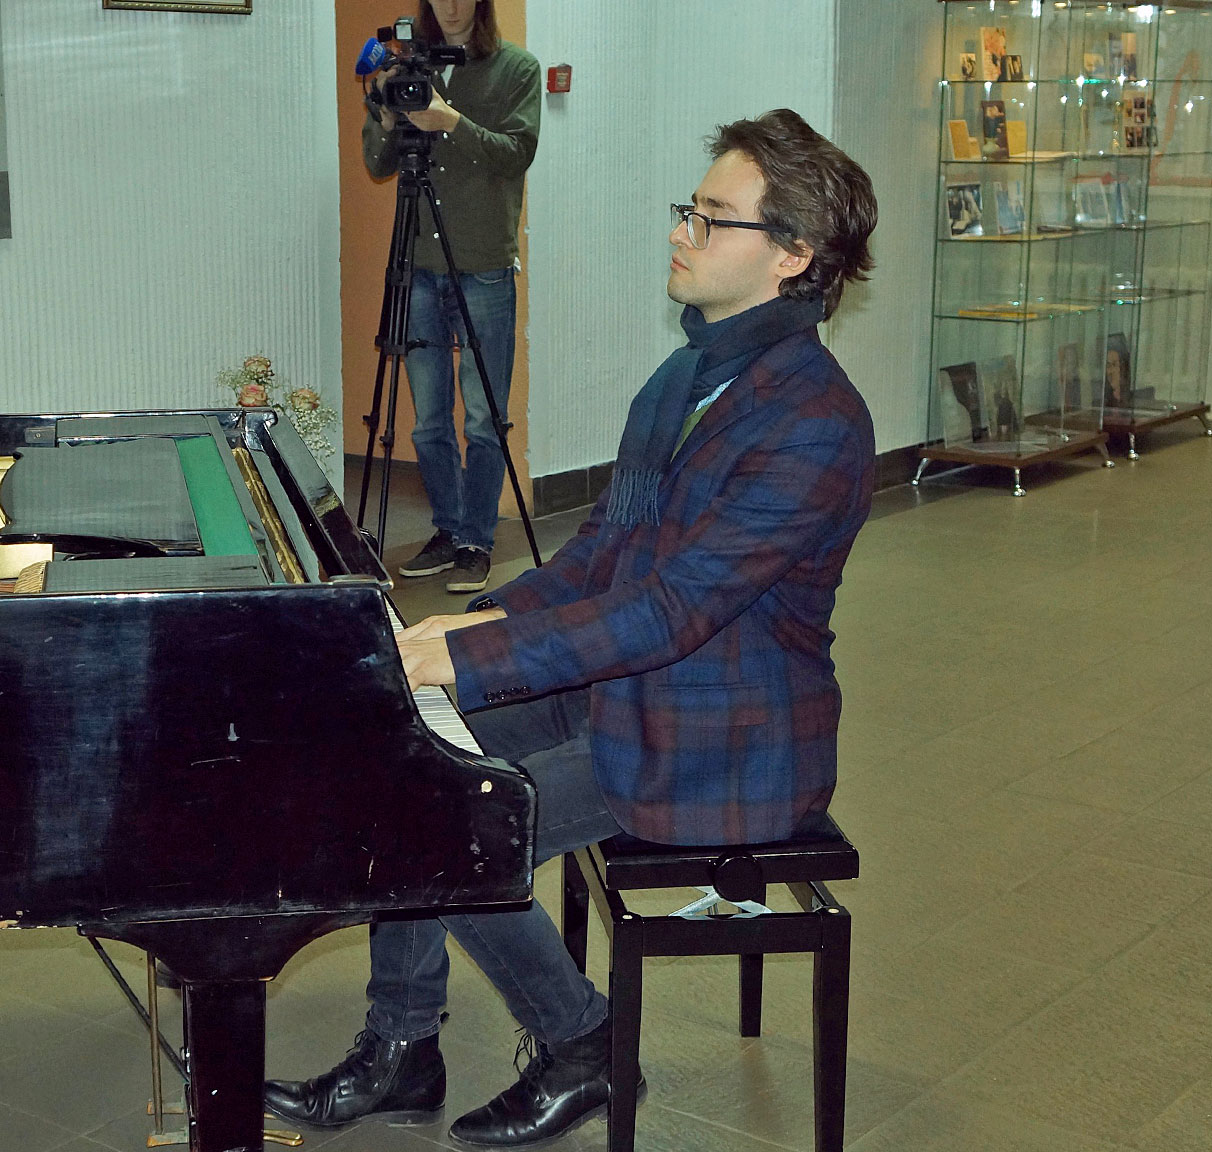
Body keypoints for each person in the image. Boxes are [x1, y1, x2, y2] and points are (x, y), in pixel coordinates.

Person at [266, 109, 878, 1148]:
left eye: (711, 218)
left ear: (793, 255)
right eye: (687, 209)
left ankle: (585, 1046)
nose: (680, 233)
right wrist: (484, 616)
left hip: (722, 736)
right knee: (399, 762)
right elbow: (603, 555)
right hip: (626, 688)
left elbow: (673, 610)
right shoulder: (690, 376)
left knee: (448, 826)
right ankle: (404, 1049)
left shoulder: (814, 420)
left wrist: (469, 658)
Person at [365, 0, 541, 594]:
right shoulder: (410, 65)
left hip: (482, 262)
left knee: (484, 416)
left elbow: (517, 153)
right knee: (429, 421)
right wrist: (385, 112)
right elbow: (377, 163)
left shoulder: (516, 68)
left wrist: (450, 121)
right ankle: (446, 530)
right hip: (417, 262)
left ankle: (476, 541)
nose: (454, 5)